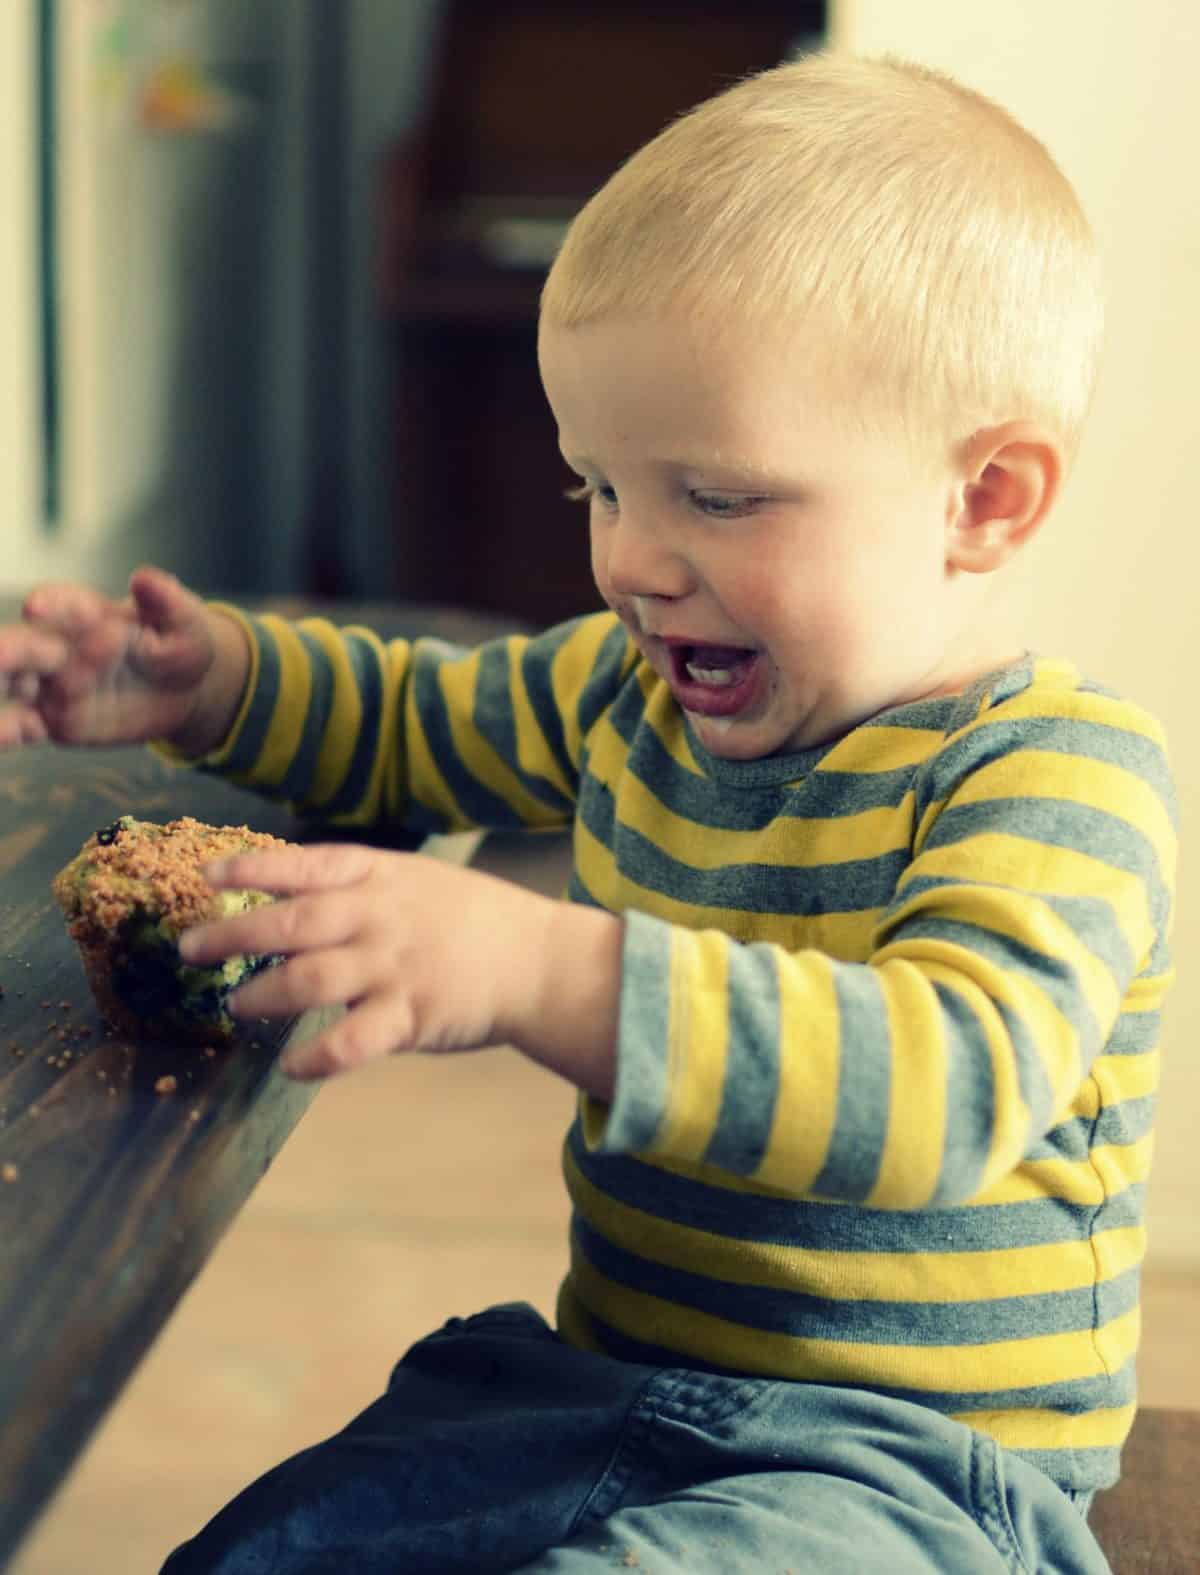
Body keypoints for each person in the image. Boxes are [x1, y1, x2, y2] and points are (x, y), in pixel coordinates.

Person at [0, 52, 1175, 1575]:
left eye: (720, 497)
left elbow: (942, 1090)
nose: (634, 560)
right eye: (599, 490)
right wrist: (213, 678)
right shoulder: (635, 690)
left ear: (987, 500)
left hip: (911, 1474)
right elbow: (416, 718)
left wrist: (536, 969)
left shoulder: (1056, 778)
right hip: (594, 1389)